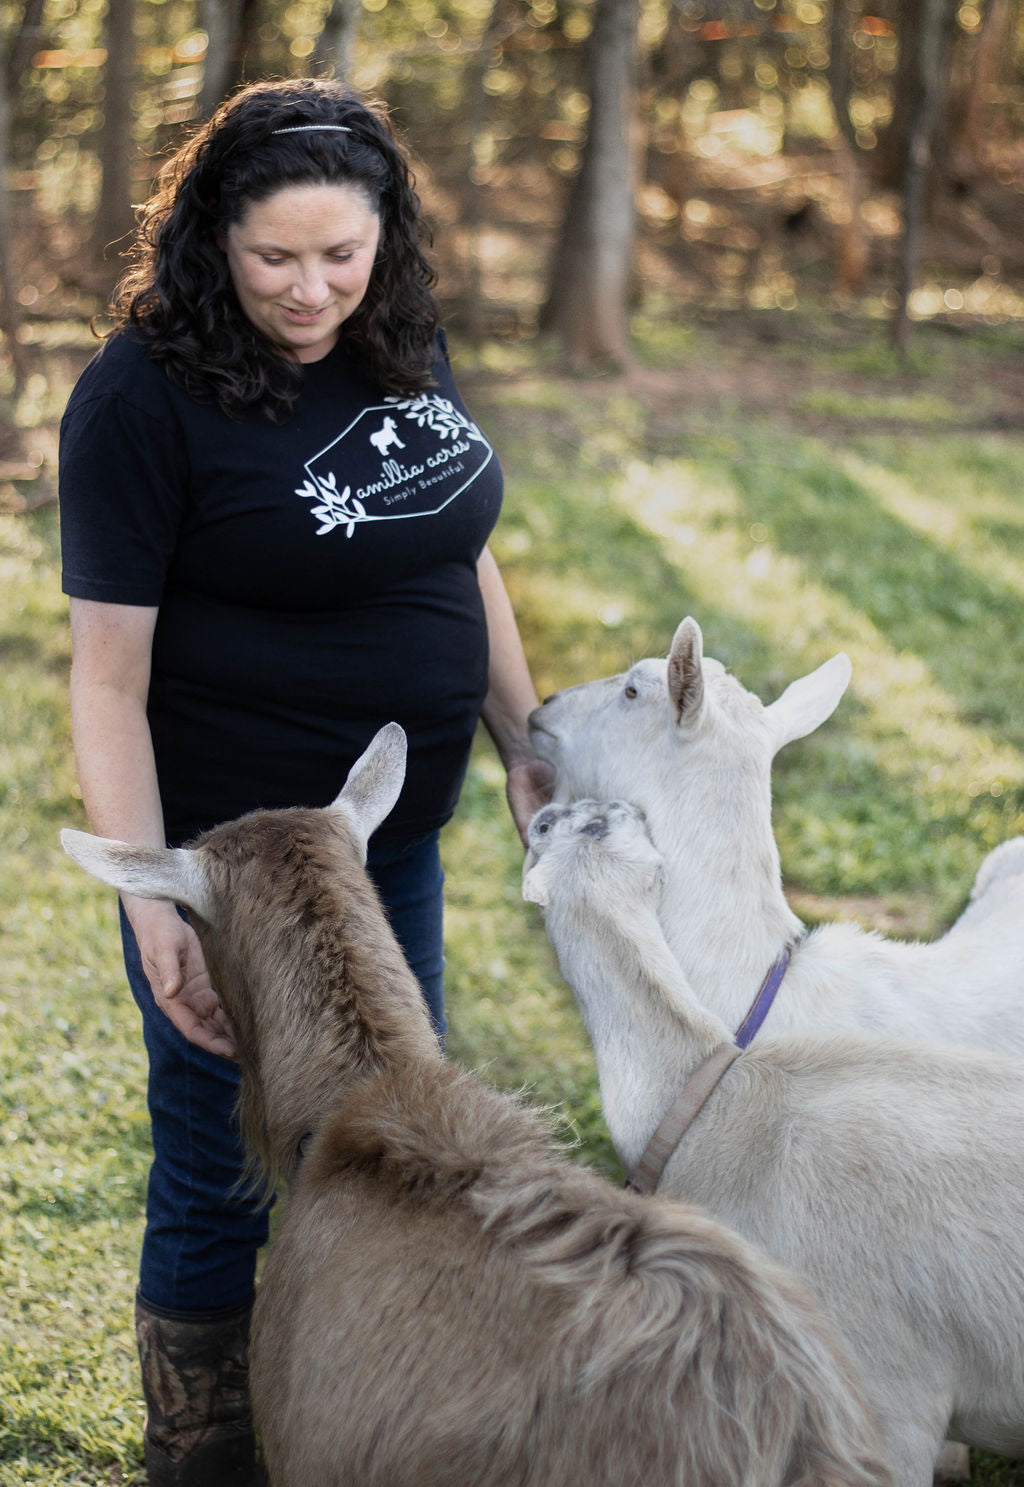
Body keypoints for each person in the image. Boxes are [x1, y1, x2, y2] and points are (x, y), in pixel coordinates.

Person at [58, 76, 552, 1486]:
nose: (312, 289)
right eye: (277, 258)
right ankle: (204, 1449)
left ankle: (379, 1420)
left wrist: (529, 744)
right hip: (242, 864)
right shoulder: (140, 402)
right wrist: (162, 905)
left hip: (389, 834)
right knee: (225, 1168)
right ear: (212, 234)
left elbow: (455, 543)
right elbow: (105, 681)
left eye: (344, 254)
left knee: (404, 1143)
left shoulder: (396, 332)